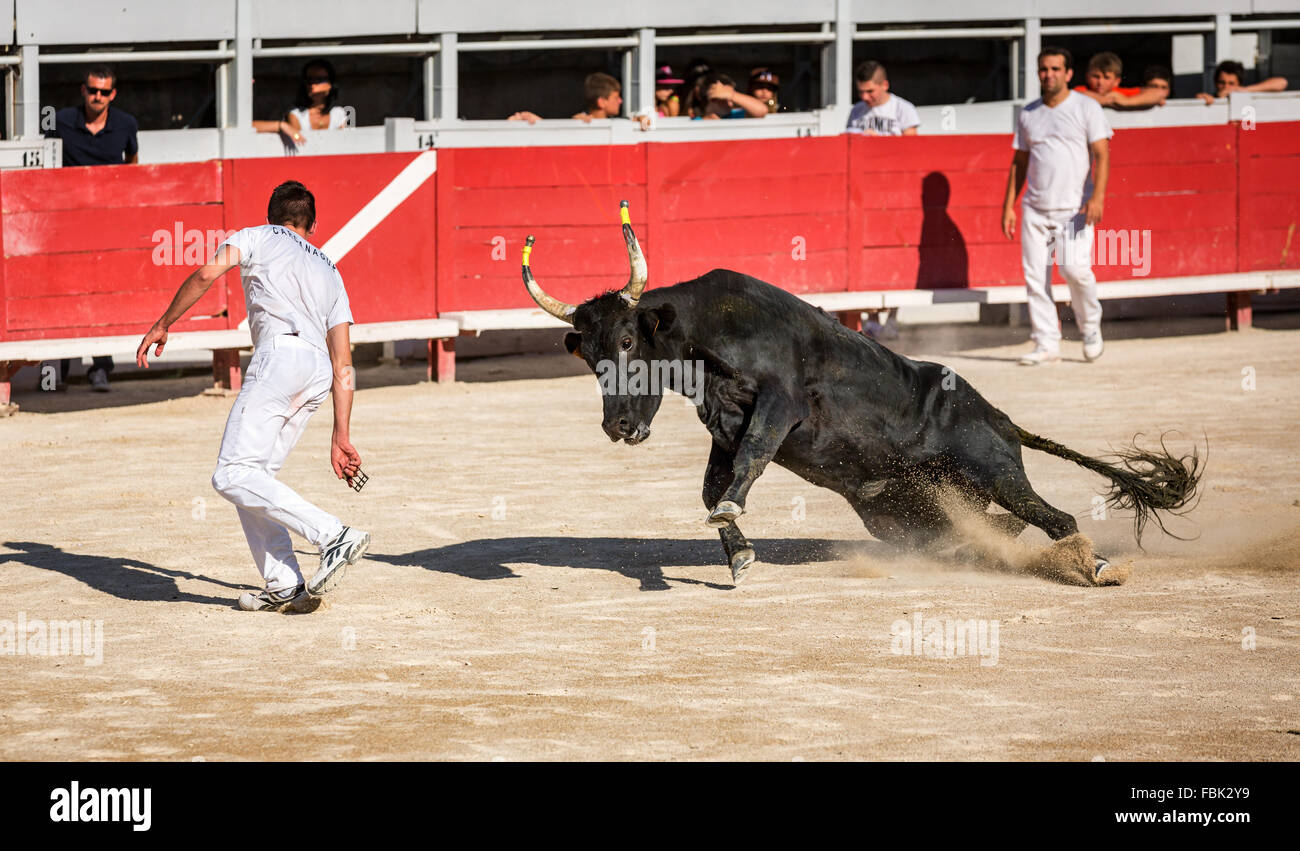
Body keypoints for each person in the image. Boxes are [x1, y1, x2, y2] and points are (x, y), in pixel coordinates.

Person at [135, 181, 371, 612]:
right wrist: (342, 432)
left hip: (279, 358)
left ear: (271, 216)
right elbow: (345, 362)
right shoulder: (331, 270)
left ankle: (332, 534)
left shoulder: (256, 236)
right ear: (312, 225)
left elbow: (206, 273)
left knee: (230, 474)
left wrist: (164, 322)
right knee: (254, 477)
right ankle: (283, 583)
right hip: (318, 371)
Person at [1001, 46, 1111, 366]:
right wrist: (1009, 205)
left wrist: (1098, 197)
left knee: (1074, 269)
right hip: (1035, 207)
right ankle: (1047, 341)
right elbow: (1019, 162)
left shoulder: (1087, 107)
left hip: (1074, 208)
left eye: (1055, 69)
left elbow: (1102, 154)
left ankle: (1090, 328)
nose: (1048, 75)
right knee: (1035, 277)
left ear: (1068, 73)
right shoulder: (1029, 113)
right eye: (1043, 70)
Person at [48, 64, 139, 392]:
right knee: (65, 290)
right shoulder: (59, 122)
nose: (97, 96)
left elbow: (133, 164)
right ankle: (60, 372)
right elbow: (46, 162)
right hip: (67, 220)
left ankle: (101, 368)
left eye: (104, 91)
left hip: (107, 223)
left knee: (103, 291)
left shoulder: (126, 123)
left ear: (112, 94)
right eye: (92, 90)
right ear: (82, 90)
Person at [256, 59, 349, 149]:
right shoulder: (296, 114)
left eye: (319, 79)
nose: (313, 85)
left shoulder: (339, 113)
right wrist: (282, 125)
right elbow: (302, 146)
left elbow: (345, 143)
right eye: (309, 80)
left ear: (331, 84)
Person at [845, 61, 919, 136]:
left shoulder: (903, 109)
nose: (865, 97)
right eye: (861, 92)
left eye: (870, 91)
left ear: (885, 85)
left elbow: (911, 145)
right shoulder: (856, 110)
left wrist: (878, 141)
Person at [1074, 52, 1167, 109]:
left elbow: (1158, 93)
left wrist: (1126, 102)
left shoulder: (1120, 93)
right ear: (1087, 76)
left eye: (1106, 78)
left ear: (1117, 81)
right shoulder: (1080, 90)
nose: (1100, 82)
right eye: (1096, 76)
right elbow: (1076, 95)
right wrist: (1110, 100)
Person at [1197, 60, 1289, 104]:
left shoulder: (1246, 94)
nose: (1226, 87)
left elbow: (1282, 83)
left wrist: (1243, 90)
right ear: (1215, 82)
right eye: (1222, 82)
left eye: (1231, 83)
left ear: (1239, 84)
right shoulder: (1212, 98)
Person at [696, 73, 768, 119]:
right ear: (712, 99)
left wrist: (733, 95)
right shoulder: (694, 123)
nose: (731, 103)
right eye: (725, 98)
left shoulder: (734, 116)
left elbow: (761, 111)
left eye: (732, 99)